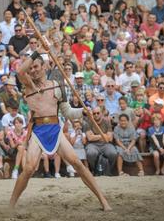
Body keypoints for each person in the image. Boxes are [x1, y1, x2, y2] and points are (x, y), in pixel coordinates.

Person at [9, 47, 111, 211]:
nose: (33, 70)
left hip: (55, 129)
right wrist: (36, 53)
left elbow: (68, 112)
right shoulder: (27, 84)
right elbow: (20, 71)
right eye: (31, 67)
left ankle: (103, 201)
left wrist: (83, 112)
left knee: (77, 163)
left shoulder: (56, 85)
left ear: (44, 67)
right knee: (28, 169)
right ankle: (11, 204)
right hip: (37, 130)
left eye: (36, 66)